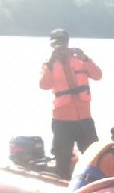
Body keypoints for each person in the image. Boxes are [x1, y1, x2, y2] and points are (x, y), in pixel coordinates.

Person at [39, 28, 103, 179]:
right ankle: (62, 185)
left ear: (67, 42)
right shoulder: (49, 64)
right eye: (56, 43)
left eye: (63, 42)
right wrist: (52, 62)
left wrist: (85, 58)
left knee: (94, 158)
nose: (60, 46)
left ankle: (94, 185)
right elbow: (43, 85)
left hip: (84, 118)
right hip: (62, 120)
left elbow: (98, 75)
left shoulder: (80, 59)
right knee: (62, 160)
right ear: (52, 45)